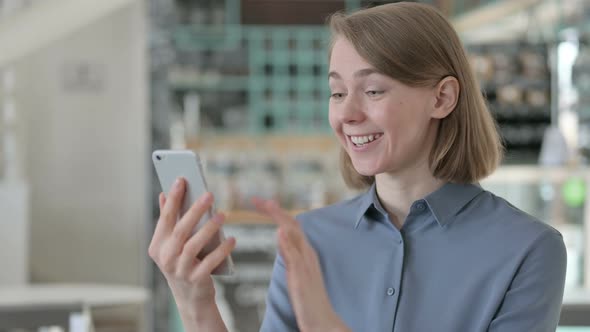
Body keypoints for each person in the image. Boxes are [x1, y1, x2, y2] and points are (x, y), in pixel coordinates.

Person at [148, 2, 567, 331]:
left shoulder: (528, 250)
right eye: (336, 92)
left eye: (372, 89)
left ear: (442, 99)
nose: (346, 114)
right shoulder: (308, 238)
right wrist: (195, 302)